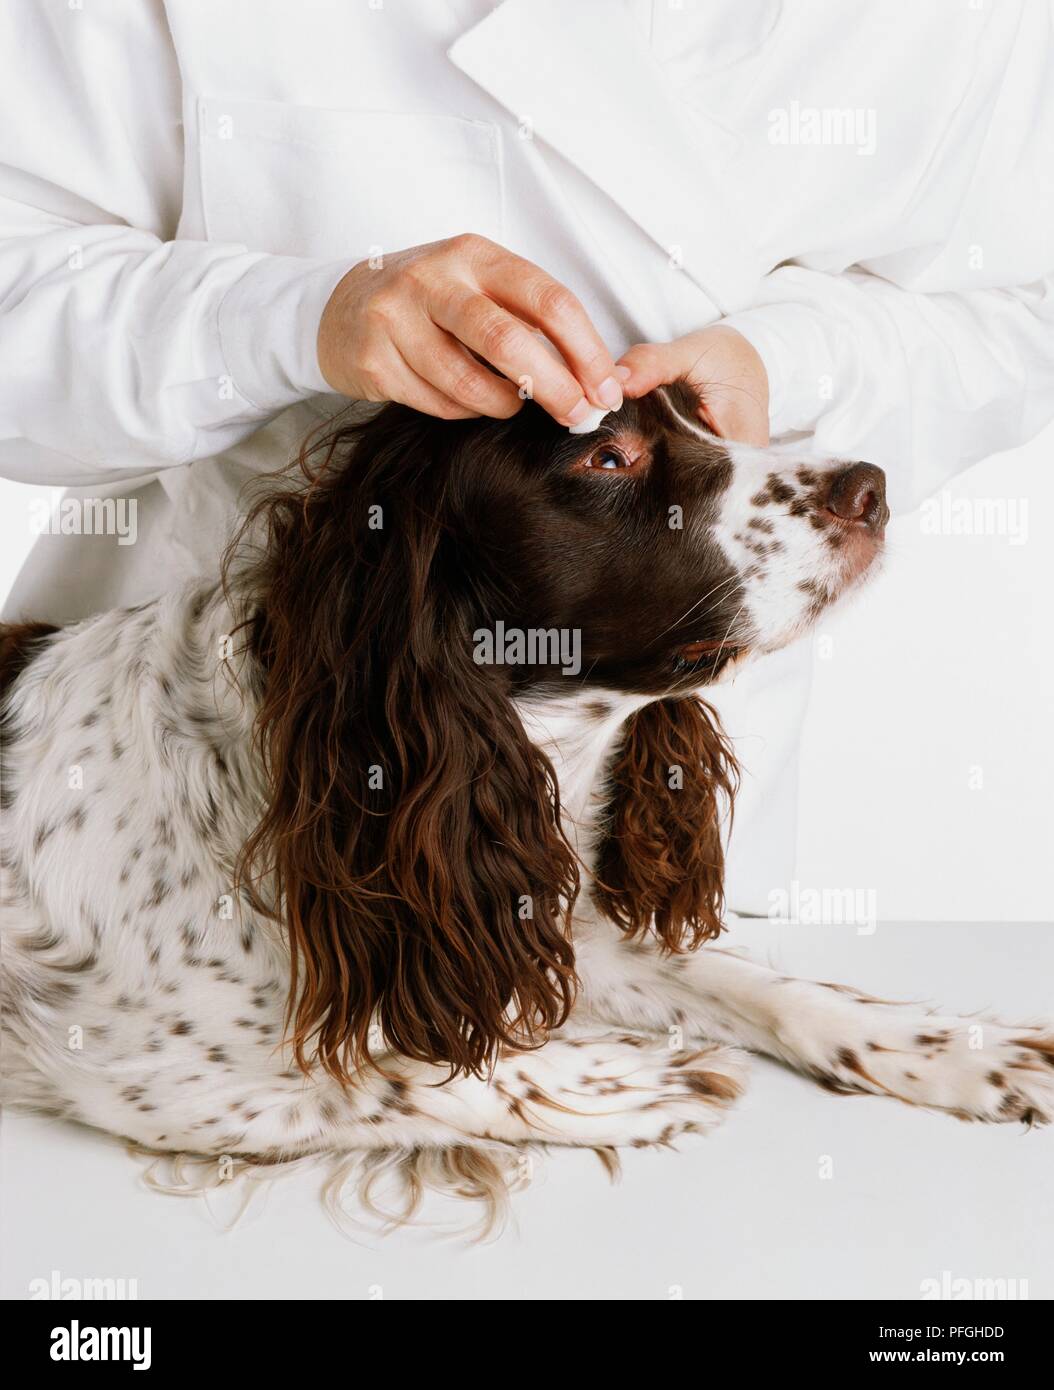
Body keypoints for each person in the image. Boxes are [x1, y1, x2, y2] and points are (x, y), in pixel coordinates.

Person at [1, 0, 1052, 913]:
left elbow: (1014, 307)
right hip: (194, 792)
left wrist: (786, 359)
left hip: (661, 766)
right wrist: (291, 316)